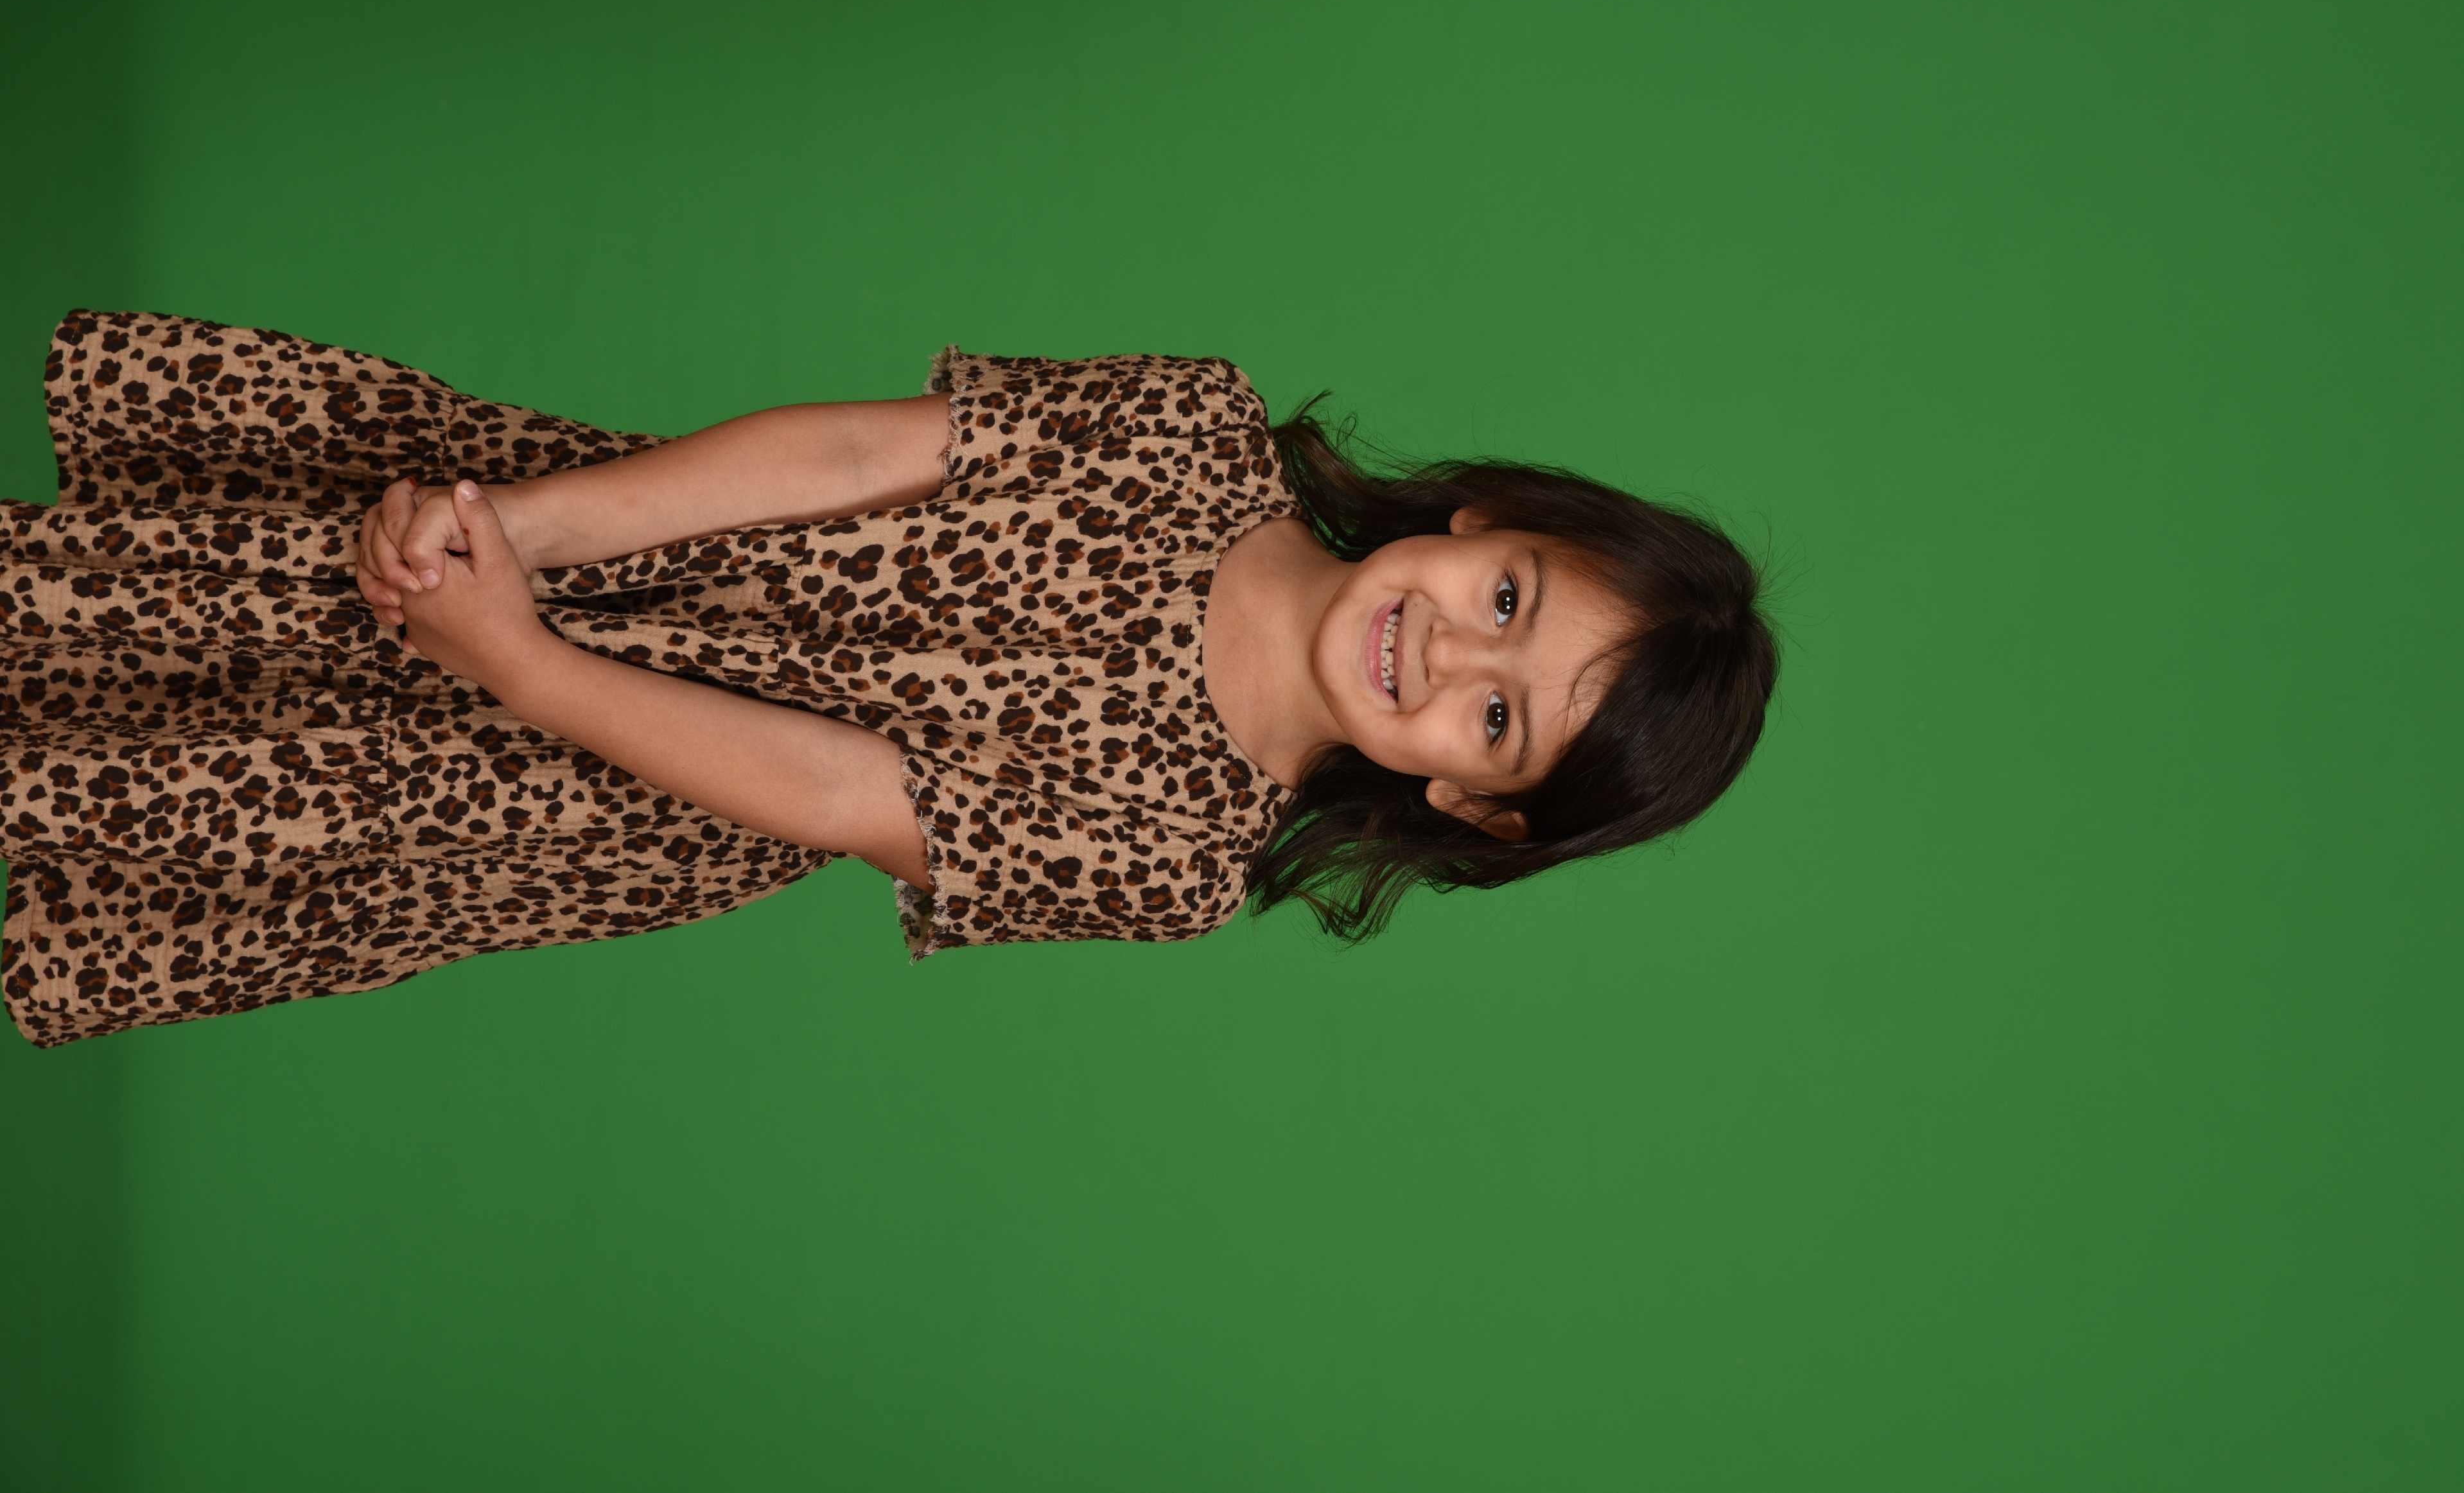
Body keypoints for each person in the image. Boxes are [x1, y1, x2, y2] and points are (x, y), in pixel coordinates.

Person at [0, 310, 1776, 1047]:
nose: (1450, 650)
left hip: (592, 755)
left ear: (1466, 797)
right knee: (161, 602)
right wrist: (519, 535)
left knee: (192, 768)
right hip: (631, 544)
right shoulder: (1190, 426)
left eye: (1495, 713)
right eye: (1506, 598)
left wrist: (527, 668)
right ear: (1487, 519)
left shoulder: (1173, 857)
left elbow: (845, 794)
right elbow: (851, 453)